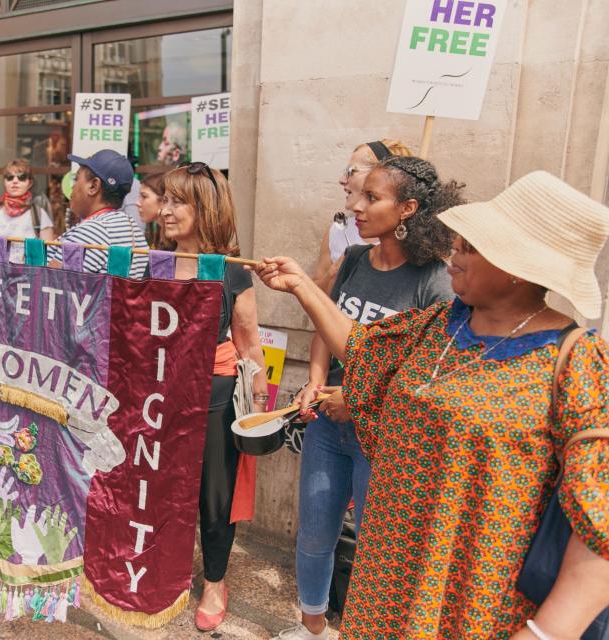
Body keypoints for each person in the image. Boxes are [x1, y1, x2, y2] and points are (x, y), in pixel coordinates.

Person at [255, 170, 609, 639]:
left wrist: (545, 633)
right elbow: (360, 350)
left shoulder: (578, 362)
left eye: (470, 247)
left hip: (473, 599)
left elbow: (597, 524)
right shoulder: (440, 325)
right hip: (387, 579)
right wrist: (302, 285)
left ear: (519, 266)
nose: (453, 254)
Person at [277, 156, 459, 640]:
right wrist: (316, 379)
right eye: (356, 194)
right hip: (326, 426)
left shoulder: (435, 281)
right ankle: (311, 627)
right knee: (315, 534)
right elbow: (327, 326)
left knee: (377, 548)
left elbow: (427, 377)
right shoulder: (354, 259)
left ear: (408, 209)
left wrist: (357, 402)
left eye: (371, 197)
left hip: (380, 437)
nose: (355, 206)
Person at [160, 163, 268, 631]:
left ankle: (215, 582)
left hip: (215, 394)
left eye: (177, 201)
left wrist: (259, 401)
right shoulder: (152, 263)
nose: (164, 210)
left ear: (204, 210)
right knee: (162, 487)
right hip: (160, 393)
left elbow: (248, 343)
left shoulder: (231, 271)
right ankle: (166, 571)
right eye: (164, 199)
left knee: (214, 497)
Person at [312, 139, 413, 292]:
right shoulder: (338, 230)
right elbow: (314, 295)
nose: (342, 180)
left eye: (351, 171)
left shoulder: (417, 245)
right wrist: (334, 273)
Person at [46, 149, 146, 278]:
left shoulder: (89, 233)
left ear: (93, 186)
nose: (72, 186)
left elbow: (51, 285)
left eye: (76, 179)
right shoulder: (133, 229)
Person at [0, 158, 54, 263]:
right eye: (10, 177)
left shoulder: (39, 214)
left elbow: (49, 252)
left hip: (26, 275)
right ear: (4, 181)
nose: (15, 181)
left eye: (21, 177)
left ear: (30, 183)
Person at [138, 171, 167, 248]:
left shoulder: (175, 237)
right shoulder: (158, 234)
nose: (137, 203)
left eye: (144, 197)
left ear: (163, 200)